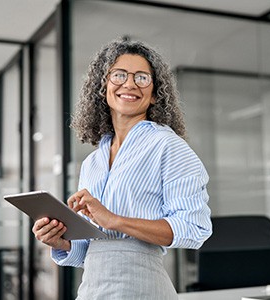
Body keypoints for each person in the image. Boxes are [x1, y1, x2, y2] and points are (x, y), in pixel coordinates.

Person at [32, 38, 212, 299]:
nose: (129, 84)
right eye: (119, 75)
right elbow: (94, 249)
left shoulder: (168, 146)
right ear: (103, 87)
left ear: (154, 94)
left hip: (142, 287)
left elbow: (194, 228)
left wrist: (115, 220)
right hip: (93, 289)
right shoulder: (93, 162)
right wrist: (61, 241)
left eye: (141, 78)